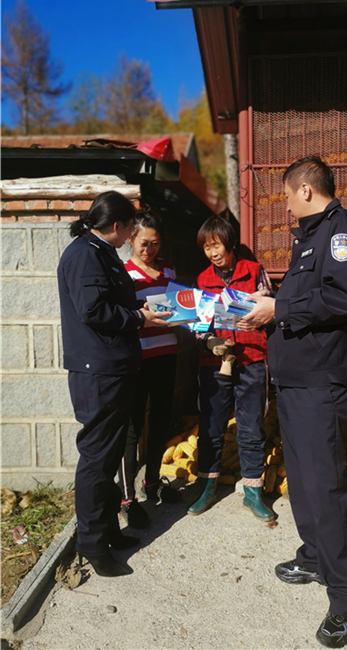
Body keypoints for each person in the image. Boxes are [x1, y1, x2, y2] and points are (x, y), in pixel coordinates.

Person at [238, 157, 347, 648]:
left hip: (322, 381)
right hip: (296, 381)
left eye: (288, 196)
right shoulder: (309, 237)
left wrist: (281, 307)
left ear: (308, 190)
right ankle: (316, 557)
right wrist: (272, 301)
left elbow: (341, 298)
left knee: (326, 485)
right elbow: (308, 297)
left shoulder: (343, 232)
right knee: (304, 480)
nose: (286, 205)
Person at [57, 192, 166, 577]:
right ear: (117, 226)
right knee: (96, 462)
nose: (132, 236)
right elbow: (93, 310)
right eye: (130, 229)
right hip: (98, 372)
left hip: (113, 369)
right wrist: (139, 318)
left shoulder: (100, 252)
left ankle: (107, 532)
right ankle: (92, 546)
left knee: (105, 459)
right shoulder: (86, 254)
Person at [187, 216, 273, 521]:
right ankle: (207, 488)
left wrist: (264, 302)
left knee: (251, 428)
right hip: (215, 364)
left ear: (230, 243)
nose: (212, 253)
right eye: (206, 248)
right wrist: (211, 343)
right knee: (211, 428)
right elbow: (198, 325)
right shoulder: (202, 280)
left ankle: (253, 493)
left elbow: (271, 312)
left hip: (251, 359)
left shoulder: (254, 272)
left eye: (216, 245)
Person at [118, 209, 181, 529]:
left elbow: (181, 310)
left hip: (166, 354)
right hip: (137, 358)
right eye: (144, 243)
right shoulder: (123, 272)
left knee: (160, 421)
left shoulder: (169, 269)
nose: (149, 250)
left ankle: (152, 483)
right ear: (130, 239)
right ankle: (127, 499)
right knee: (131, 427)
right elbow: (120, 316)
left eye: (155, 244)